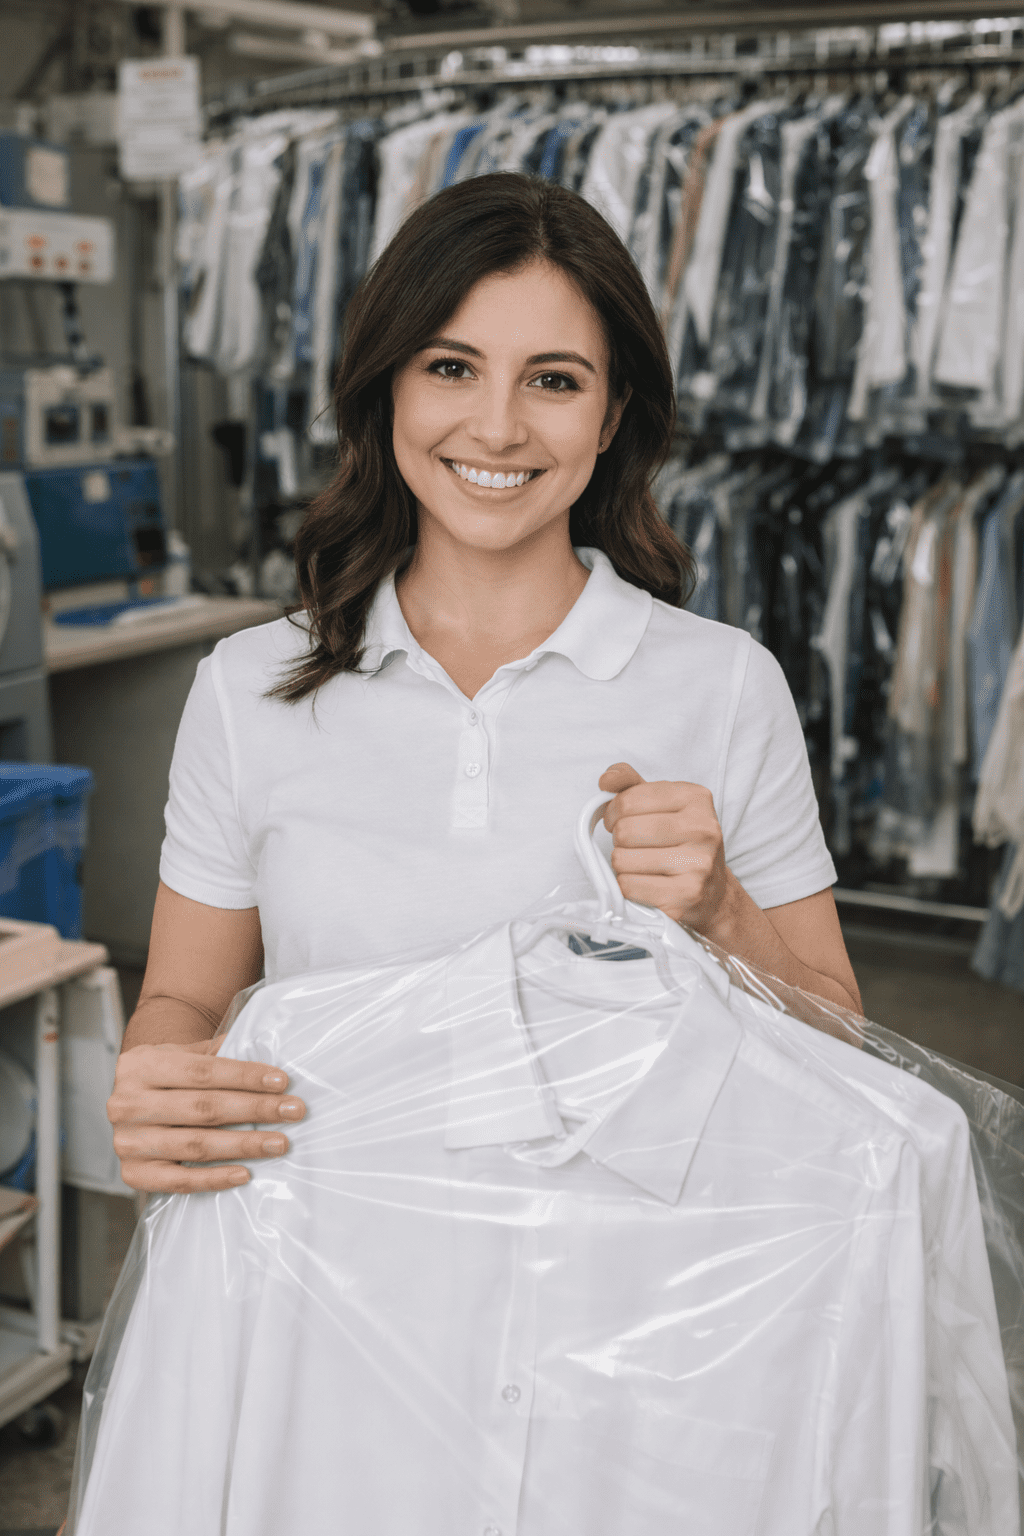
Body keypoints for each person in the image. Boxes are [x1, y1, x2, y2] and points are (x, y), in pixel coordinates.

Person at [107, 172, 862, 1196]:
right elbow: (182, 1008)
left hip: (621, 1309)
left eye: (553, 380)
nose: (498, 428)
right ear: (387, 390)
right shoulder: (247, 688)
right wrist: (157, 1078)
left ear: (610, 415)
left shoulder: (724, 683)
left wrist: (723, 913)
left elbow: (840, 1045)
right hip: (328, 1284)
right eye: (452, 367)